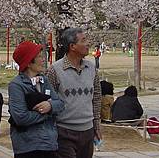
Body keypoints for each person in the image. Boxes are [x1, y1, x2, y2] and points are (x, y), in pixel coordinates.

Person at [46, 28, 101, 158]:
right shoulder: (55, 70)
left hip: (87, 130)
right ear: (72, 46)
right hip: (64, 132)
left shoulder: (92, 68)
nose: (88, 43)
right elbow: (49, 99)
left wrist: (96, 124)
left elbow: (97, 97)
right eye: (83, 40)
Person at [8, 40, 64, 158]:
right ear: (29, 62)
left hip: (49, 144)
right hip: (28, 147)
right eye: (39, 57)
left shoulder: (44, 80)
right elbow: (21, 118)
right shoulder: (16, 85)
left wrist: (50, 106)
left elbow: (60, 104)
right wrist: (48, 113)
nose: (43, 59)